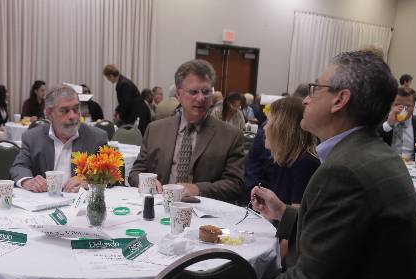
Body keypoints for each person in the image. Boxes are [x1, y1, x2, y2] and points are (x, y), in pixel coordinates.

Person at [249, 50, 416, 279]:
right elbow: (355, 239)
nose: (307, 97)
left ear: (340, 100)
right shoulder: (374, 154)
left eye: (316, 87)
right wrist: (287, 214)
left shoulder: (345, 170)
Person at [128, 59, 245, 203]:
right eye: (194, 92)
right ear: (178, 95)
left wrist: (198, 189)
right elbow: (136, 172)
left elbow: (235, 185)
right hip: (160, 210)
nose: (201, 98)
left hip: (206, 216)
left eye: (206, 92)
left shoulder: (230, 136)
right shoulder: (155, 130)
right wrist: (147, 182)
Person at [10, 85, 108, 193]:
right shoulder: (33, 137)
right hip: (44, 202)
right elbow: (19, 166)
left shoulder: (96, 137)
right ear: (49, 113)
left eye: (76, 109)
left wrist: (90, 181)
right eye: (64, 110)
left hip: (81, 204)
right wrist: (28, 181)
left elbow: (112, 172)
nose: (73, 116)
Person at [262, 96, 319, 205]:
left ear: (282, 128)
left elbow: (297, 218)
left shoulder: (305, 164)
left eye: (269, 121)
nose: (265, 127)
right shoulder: (283, 160)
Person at [379, 87, 416, 158]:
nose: (402, 109)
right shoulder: (380, 121)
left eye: (407, 106)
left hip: (413, 166)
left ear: (415, 106)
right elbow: (371, 142)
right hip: (387, 164)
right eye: (397, 105)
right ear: (391, 105)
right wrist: (388, 124)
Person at [102, 64, 151, 133]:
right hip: (137, 112)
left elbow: (126, 103)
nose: (108, 80)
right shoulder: (122, 82)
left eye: (108, 78)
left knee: (136, 137)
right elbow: (124, 102)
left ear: (111, 75)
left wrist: (119, 117)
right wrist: (117, 110)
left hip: (139, 114)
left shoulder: (124, 84)